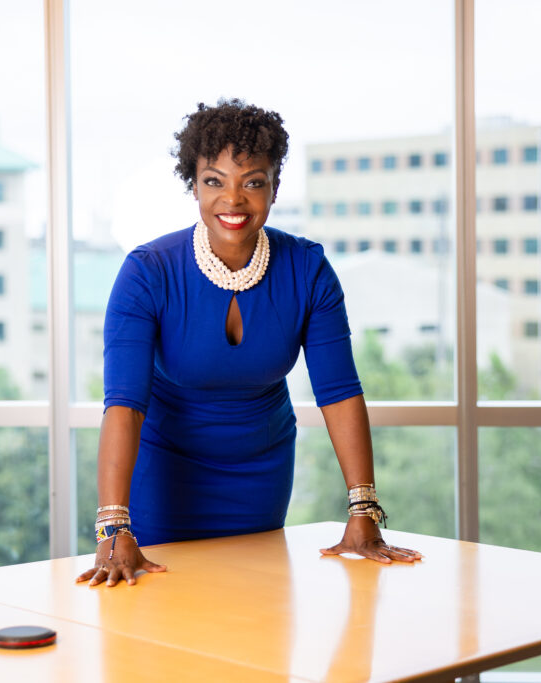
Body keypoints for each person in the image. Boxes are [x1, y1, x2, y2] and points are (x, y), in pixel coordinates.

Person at [77, 99, 422, 588]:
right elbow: (125, 406)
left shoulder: (308, 269)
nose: (233, 200)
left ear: (274, 188)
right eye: (214, 181)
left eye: (252, 182)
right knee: (157, 622)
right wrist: (113, 525)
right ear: (193, 185)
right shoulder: (148, 272)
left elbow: (340, 393)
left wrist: (363, 508)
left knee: (253, 616)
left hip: (259, 473)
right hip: (164, 474)